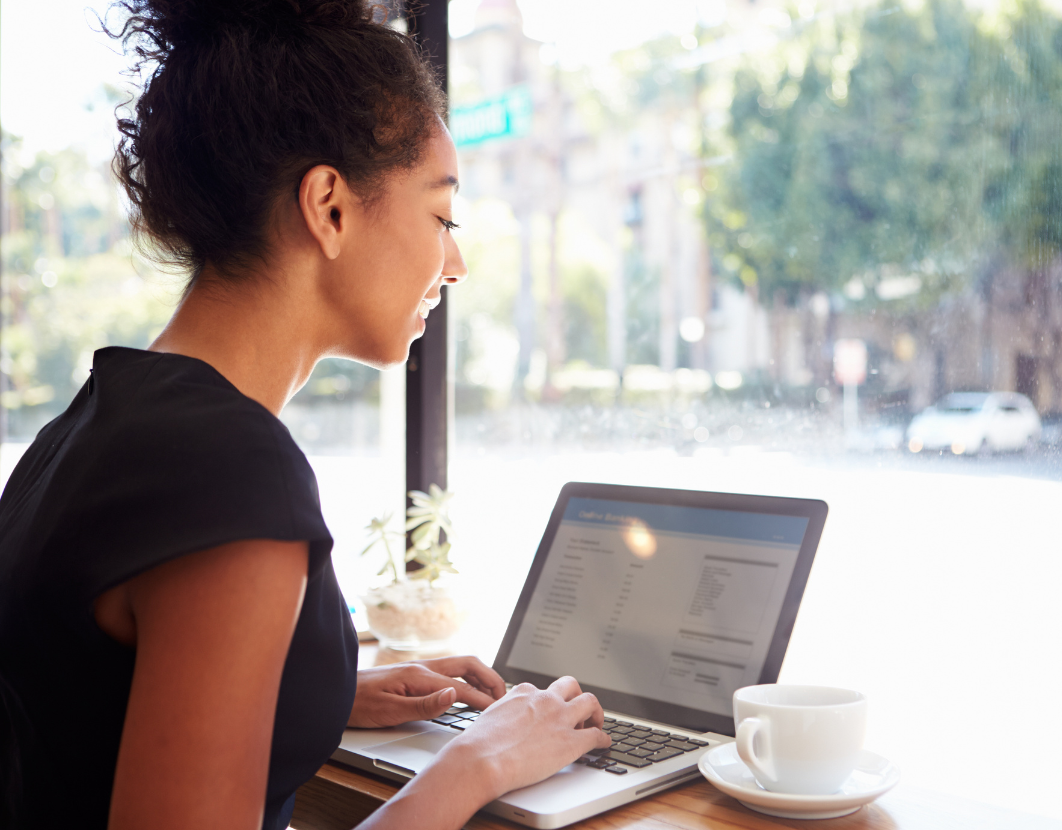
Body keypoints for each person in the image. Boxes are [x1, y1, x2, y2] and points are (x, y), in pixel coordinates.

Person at [0, 2, 610, 828]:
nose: (455, 262)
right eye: (442, 216)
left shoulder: (93, 424)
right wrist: (477, 763)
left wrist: (308, 693)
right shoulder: (230, 473)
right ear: (328, 206)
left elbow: (86, 709)